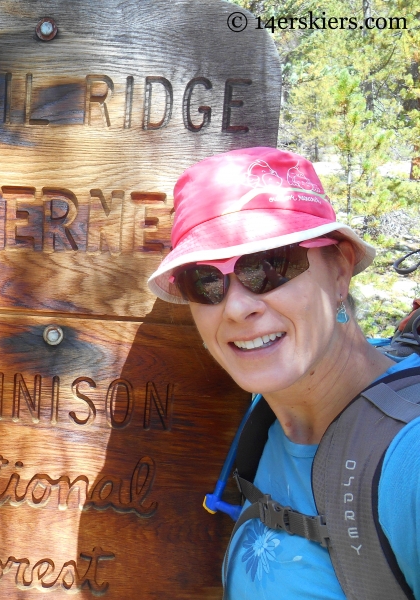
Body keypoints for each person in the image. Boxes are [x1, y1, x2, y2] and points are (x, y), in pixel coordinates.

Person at [147, 147, 419, 599]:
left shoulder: (408, 460)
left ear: (340, 268)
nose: (235, 307)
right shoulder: (267, 414)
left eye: (268, 265)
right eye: (204, 280)